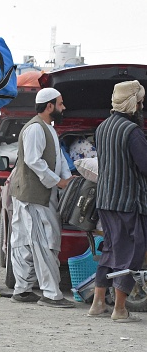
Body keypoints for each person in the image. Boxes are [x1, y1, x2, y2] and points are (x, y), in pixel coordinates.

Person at [9, 87, 75, 308]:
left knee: (29, 243)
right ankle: (51, 294)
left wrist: (68, 180)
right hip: (33, 197)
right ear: (49, 106)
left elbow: (59, 159)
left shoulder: (49, 128)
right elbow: (33, 161)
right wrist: (58, 181)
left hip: (39, 195)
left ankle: (23, 290)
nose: (63, 107)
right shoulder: (36, 129)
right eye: (61, 103)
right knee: (42, 242)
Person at [88, 80, 147, 322]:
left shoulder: (102, 128)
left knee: (110, 250)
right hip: (128, 202)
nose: (142, 106)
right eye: (141, 101)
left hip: (105, 201)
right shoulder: (132, 132)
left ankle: (98, 303)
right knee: (131, 252)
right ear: (134, 103)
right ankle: (120, 308)